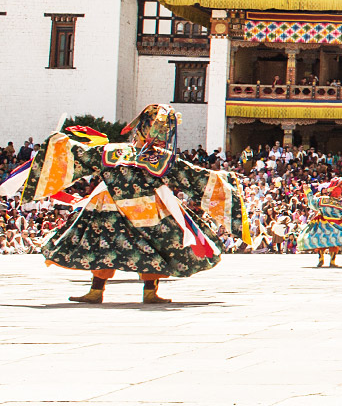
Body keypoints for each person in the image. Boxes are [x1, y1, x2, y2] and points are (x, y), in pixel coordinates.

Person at [1, 107, 247, 304]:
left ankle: (118, 291)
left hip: (119, 208)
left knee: (119, 246)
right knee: (131, 246)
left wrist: (59, 145)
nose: (158, 134)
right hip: (136, 210)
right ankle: (122, 292)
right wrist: (59, 144)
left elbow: (81, 156)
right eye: (157, 129)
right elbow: (192, 177)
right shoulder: (139, 155)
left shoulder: (123, 153)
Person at [298, 178, 342, 268]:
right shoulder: (341, 203)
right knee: (332, 243)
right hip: (336, 226)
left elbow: (312, 204)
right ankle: (330, 261)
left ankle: (322, 259)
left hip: (323, 226)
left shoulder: (323, 200)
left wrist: (308, 191)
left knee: (322, 241)